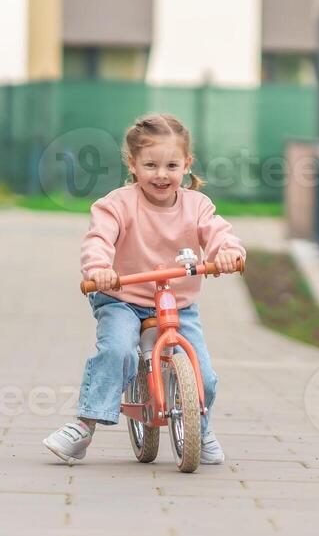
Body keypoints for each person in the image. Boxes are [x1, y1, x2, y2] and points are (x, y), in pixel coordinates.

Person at [42, 113, 246, 465]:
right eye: (150, 165)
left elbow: (216, 231)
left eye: (171, 165)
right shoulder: (117, 204)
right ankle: (83, 426)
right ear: (133, 165)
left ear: (187, 164)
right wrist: (100, 269)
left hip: (177, 304)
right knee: (119, 350)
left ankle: (201, 426)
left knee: (206, 376)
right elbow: (98, 240)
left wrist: (227, 253)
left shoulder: (197, 205)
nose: (161, 174)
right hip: (123, 297)